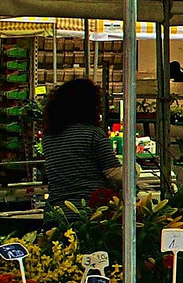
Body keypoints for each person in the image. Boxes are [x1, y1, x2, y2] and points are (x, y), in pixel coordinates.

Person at [42, 78, 123, 206]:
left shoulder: (49, 137)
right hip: (88, 212)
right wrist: (134, 169)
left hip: (57, 211)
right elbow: (116, 175)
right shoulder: (93, 134)